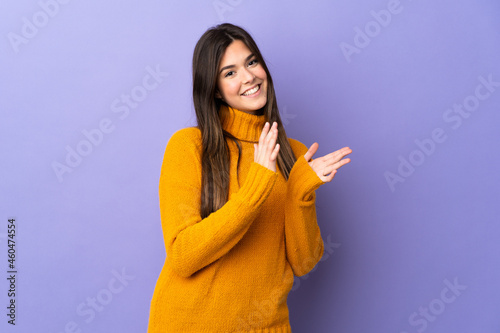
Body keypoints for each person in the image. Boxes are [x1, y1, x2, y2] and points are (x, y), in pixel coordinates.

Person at [147, 23, 352, 332]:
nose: (248, 77)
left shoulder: (293, 153)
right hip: (191, 323)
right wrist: (257, 184)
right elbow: (183, 256)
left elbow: (303, 262)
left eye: (252, 62)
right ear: (214, 89)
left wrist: (300, 193)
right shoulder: (189, 146)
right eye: (229, 73)